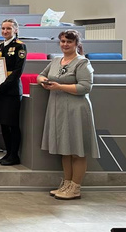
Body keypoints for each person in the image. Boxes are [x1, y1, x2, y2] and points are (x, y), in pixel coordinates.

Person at [38, 30, 99, 200]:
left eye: (69, 42)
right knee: (65, 149)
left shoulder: (82, 62)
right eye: (63, 41)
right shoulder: (56, 60)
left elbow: (85, 87)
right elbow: (41, 75)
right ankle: (66, 183)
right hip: (58, 109)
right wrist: (43, 82)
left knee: (77, 151)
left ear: (76, 44)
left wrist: (59, 87)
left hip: (76, 109)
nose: (65, 44)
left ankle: (75, 187)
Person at [0, 18, 27, 166]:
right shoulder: (1, 46)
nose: (5, 31)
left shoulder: (20, 46)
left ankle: (14, 155)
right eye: (3, 28)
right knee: (3, 124)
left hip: (11, 90)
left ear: (15, 30)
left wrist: (2, 86)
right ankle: (7, 153)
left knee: (12, 124)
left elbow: (17, 71)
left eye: (8, 28)